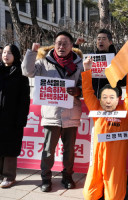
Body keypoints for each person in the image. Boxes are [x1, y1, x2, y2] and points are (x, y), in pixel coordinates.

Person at [21, 31, 83, 192]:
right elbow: (27, 72)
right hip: (51, 114)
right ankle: (46, 178)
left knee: (69, 150)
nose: (61, 46)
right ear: (54, 45)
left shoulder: (79, 64)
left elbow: (86, 85)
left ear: (71, 46)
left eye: (65, 43)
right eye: (58, 43)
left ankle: (67, 176)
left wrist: (78, 90)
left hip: (71, 114)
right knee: (48, 149)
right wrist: (32, 52)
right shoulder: (44, 62)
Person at [82, 56, 128, 200]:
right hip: (97, 158)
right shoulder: (96, 107)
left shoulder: (126, 111)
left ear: (118, 97)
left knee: (114, 198)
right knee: (89, 196)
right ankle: (103, 186)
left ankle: (122, 179)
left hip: (115, 162)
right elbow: (88, 92)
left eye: (112, 96)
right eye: (105, 96)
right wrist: (87, 70)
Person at [0, 44, 30, 188]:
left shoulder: (21, 74)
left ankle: (9, 176)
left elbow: (24, 100)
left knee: (10, 147)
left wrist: (21, 119)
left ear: (16, 55)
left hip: (13, 118)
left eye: (10, 53)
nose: (6, 55)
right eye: (4, 52)